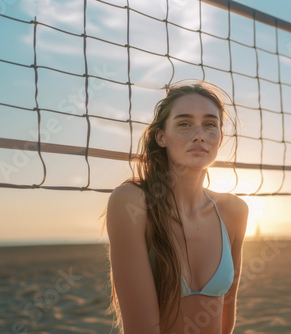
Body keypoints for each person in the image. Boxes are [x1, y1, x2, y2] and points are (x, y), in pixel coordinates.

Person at [100, 81, 249, 334]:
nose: (199, 134)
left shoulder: (235, 211)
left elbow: (226, 319)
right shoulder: (131, 202)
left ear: (219, 138)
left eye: (210, 124)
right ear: (161, 137)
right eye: (184, 123)